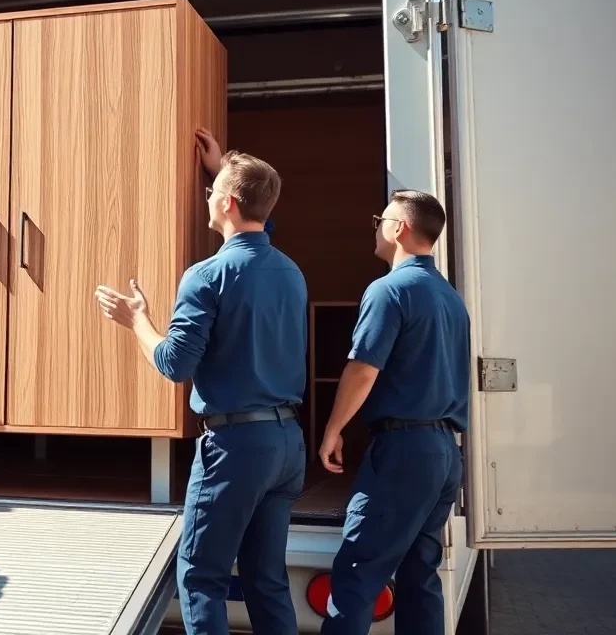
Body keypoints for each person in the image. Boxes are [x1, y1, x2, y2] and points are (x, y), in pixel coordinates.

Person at [95, 145, 307, 635]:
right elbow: (256, 234)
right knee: (267, 579)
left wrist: (138, 320)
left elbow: (175, 364)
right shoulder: (290, 271)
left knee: (200, 577)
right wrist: (227, 172)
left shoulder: (206, 275)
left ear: (228, 203)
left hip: (236, 447)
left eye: (213, 191)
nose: (207, 195)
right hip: (286, 445)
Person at [317, 190, 469, 634]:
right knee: (420, 574)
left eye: (379, 220)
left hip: (405, 450)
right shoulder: (450, 297)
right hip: (444, 452)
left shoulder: (389, 290)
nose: (375, 228)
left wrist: (333, 429)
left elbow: (363, 369)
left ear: (399, 228)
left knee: (357, 573)